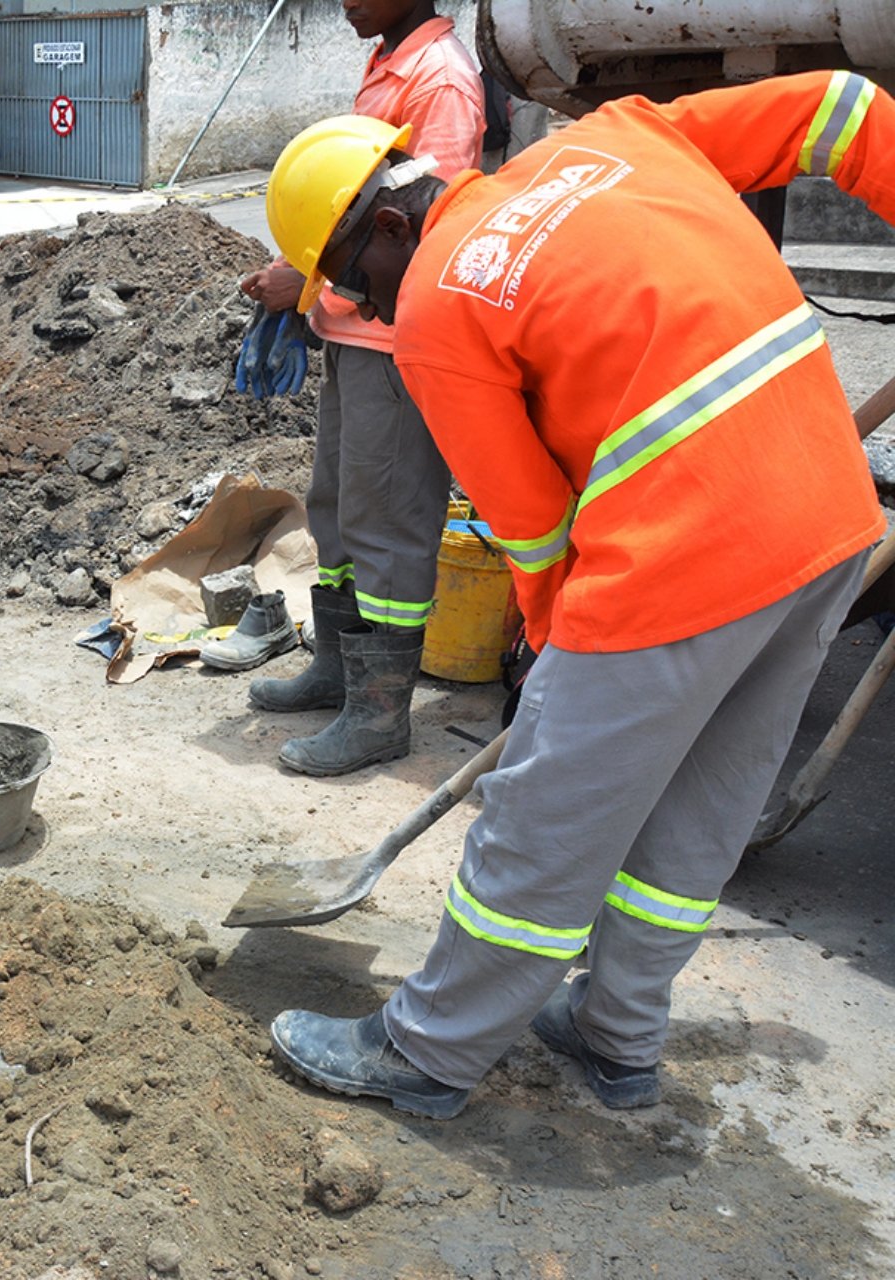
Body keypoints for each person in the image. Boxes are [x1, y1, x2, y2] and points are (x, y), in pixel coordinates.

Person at [261, 70, 892, 1119]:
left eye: (349, 283)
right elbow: (844, 106)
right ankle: (617, 1033)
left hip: (685, 544)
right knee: (702, 808)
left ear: (386, 226)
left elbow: (533, 523)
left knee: (544, 814)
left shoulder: (437, 305)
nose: (363, 307)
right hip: (824, 517)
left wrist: (552, 663)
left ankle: (425, 1050)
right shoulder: (617, 140)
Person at [204, 0, 484, 779]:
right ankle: (339, 668)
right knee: (337, 511)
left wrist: (305, 275)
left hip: (396, 340)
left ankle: (380, 712)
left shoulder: (441, 80)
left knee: (389, 525)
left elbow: (424, 225)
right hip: (350, 331)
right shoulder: (390, 64)